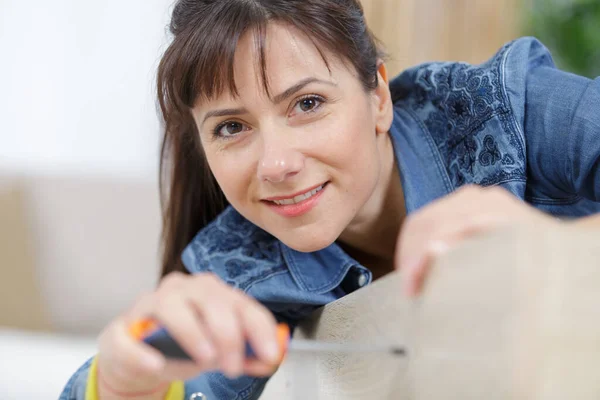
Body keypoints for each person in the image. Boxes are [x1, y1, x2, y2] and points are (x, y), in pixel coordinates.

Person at [60, 0, 600, 399]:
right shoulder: (240, 268)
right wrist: (124, 381)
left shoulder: (511, 112)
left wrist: (563, 249)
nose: (276, 164)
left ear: (379, 96)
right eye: (230, 127)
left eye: (308, 103)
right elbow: (176, 375)